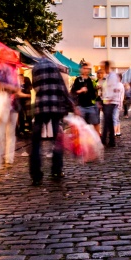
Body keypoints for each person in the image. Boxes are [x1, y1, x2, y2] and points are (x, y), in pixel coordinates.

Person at [30, 57, 74, 185]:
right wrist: (71, 105)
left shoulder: (35, 69)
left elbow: (35, 87)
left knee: (36, 142)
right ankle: (56, 169)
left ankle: (36, 174)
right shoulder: (55, 68)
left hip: (40, 107)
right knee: (57, 140)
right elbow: (62, 88)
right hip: (55, 107)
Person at [70, 62, 100, 134]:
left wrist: (96, 90)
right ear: (81, 69)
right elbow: (73, 92)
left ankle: (97, 140)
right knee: (79, 125)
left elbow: (93, 93)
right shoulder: (78, 80)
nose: (86, 70)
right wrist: (80, 90)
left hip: (90, 105)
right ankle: (78, 141)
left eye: (88, 69)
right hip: (81, 106)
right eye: (84, 68)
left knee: (96, 122)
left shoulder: (90, 80)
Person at [100, 61, 120, 147]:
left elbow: (114, 89)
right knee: (109, 121)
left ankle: (104, 139)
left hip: (110, 101)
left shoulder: (112, 76)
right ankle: (111, 140)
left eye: (103, 67)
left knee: (107, 120)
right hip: (106, 101)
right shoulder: (107, 76)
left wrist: (110, 99)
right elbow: (106, 89)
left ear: (106, 67)